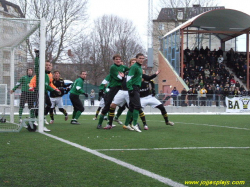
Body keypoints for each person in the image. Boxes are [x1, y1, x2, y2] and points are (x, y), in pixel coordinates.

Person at [96, 54, 129, 129]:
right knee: (108, 105)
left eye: (119, 59)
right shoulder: (113, 68)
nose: (118, 60)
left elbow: (130, 71)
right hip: (114, 88)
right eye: (116, 59)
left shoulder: (123, 67)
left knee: (127, 106)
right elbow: (119, 78)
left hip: (123, 89)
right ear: (114, 60)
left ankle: (128, 122)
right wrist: (101, 89)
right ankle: (100, 123)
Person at [123, 53, 144, 132]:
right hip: (133, 88)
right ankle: (134, 124)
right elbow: (128, 78)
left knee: (131, 107)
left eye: (143, 58)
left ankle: (126, 124)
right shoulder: (134, 66)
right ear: (136, 59)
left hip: (136, 88)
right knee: (137, 106)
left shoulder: (139, 67)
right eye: (140, 58)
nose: (141, 60)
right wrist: (130, 89)